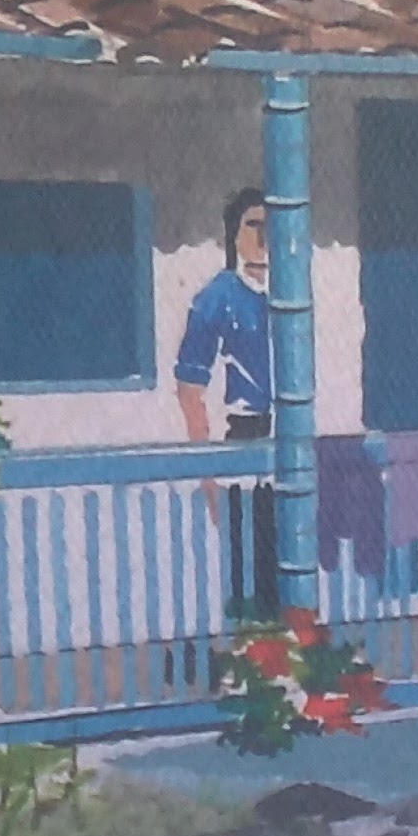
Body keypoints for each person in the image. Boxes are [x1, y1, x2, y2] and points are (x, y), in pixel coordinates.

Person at [175, 185, 277, 614]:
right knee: (248, 569)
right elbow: (189, 389)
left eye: (272, 226)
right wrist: (208, 476)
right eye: (253, 225)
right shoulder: (216, 298)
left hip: (292, 440)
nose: (264, 236)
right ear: (234, 234)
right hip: (244, 439)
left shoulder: (294, 295)